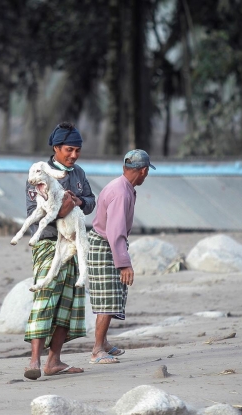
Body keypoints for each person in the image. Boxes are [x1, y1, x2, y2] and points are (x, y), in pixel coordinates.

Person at [23, 122, 96, 379]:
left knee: (69, 302)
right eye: (69, 150)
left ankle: (53, 361)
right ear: (56, 148)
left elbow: (90, 201)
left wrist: (78, 201)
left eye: (77, 150)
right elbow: (34, 213)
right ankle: (34, 361)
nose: (74, 155)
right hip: (47, 243)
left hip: (73, 245)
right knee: (45, 295)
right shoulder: (39, 174)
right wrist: (61, 211)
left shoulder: (78, 174)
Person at [87, 149, 155, 364]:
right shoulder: (122, 192)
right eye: (146, 172)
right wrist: (124, 264)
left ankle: (103, 342)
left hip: (107, 242)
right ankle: (97, 349)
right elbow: (115, 231)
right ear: (143, 171)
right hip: (105, 244)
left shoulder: (121, 185)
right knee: (107, 298)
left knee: (113, 294)